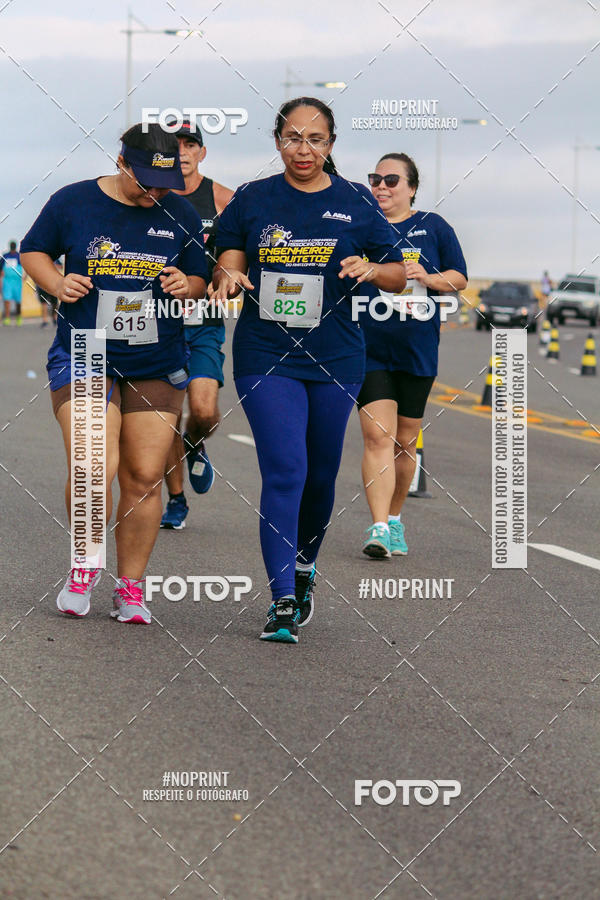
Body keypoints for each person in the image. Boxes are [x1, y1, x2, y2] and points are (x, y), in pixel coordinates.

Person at [212, 97, 406, 643]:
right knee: (286, 470)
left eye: (316, 139)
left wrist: (372, 267)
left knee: (321, 476)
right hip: (265, 353)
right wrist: (229, 275)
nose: (304, 149)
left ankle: (304, 568)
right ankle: (279, 602)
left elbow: (398, 273)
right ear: (277, 141)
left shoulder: (355, 202)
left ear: (331, 145)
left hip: (337, 357)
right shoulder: (254, 199)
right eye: (294, 137)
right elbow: (227, 250)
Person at [21, 123, 208, 623]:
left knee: (145, 476)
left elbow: (198, 276)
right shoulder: (74, 201)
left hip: (156, 359)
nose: (156, 192)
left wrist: (184, 284)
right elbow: (33, 251)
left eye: (165, 184)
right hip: (86, 348)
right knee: (91, 468)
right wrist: (58, 282)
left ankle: (130, 588)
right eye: (146, 181)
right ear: (122, 163)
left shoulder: (179, 210)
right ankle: (84, 565)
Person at [358, 153, 467, 558]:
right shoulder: (362, 224)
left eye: (391, 180)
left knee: (405, 441)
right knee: (376, 437)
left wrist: (427, 276)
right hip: (369, 346)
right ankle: (379, 527)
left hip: (417, 350)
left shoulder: (433, 227)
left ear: (412, 188)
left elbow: (459, 277)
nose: (381, 187)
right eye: (375, 179)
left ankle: (396, 519)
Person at [160, 117, 234, 530]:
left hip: (204, 320)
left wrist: (227, 279)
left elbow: (238, 252)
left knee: (203, 411)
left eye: (190, 145)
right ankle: (175, 498)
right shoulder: (152, 197)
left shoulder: (223, 198)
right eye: (174, 146)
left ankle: (195, 444)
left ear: (202, 152)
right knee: (166, 415)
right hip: (160, 322)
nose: (182, 152)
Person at [1, 241, 24, 325]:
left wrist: (26, 276)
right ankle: (7, 317)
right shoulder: (5, 256)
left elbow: (26, 266)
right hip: (7, 281)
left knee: (18, 300)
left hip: (17, 281)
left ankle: (19, 317)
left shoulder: (19, 256)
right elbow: (1, 268)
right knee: (7, 299)